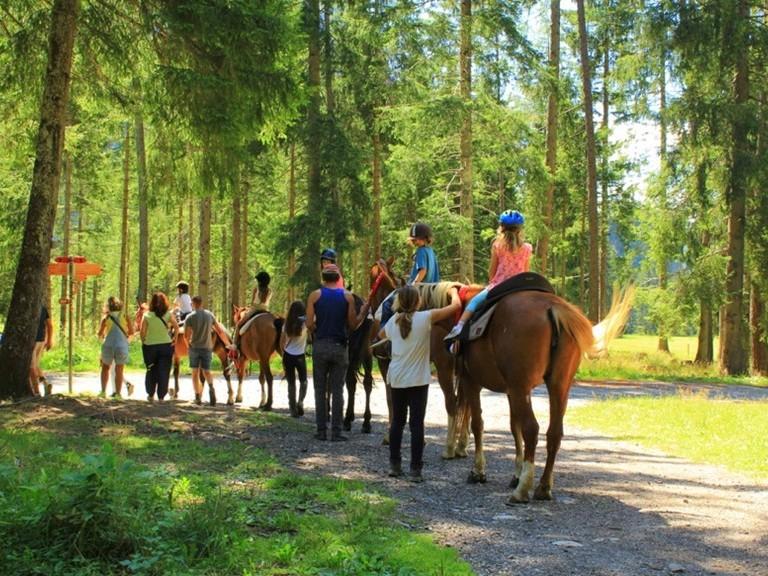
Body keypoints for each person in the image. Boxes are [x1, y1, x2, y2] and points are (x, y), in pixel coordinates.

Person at [380, 284, 461, 482]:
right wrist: (453, 291)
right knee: (417, 425)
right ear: (418, 301)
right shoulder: (425, 318)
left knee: (397, 423)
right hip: (417, 380)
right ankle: (415, 470)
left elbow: (381, 335)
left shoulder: (393, 321)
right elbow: (455, 307)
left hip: (397, 378)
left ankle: (394, 465)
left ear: (399, 302)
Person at [444, 210, 532, 342]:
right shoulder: (527, 248)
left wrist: (492, 281)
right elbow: (526, 271)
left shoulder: (498, 245)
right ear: (520, 230)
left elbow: (492, 271)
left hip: (499, 286)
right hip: (520, 286)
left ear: (501, 228)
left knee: (474, 302)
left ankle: (459, 328)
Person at [305, 264, 370, 441]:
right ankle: (336, 432)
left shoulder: (314, 296)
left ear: (323, 278)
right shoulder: (348, 297)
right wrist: (363, 312)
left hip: (320, 346)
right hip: (340, 347)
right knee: (338, 389)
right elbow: (353, 325)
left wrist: (318, 328)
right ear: (338, 278)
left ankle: (321, 431)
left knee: (319, 389)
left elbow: (309, 324)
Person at [375, 222, 441, 345]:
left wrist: (413, 284)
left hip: (419, 288)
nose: (414, 242)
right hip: (431, 288)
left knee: (388, 304)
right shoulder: (431, 252)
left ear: (425, 238)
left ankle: (383, 337)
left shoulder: (421, 251)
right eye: (413, 239)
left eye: (416, 239)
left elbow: (423, 270)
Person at [184, 296, 229, 405]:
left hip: (194, 347)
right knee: (207, 371)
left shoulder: (190, 317)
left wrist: (188, 345)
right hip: (207, 347)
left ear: (193, 304)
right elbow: (220, 331)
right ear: (201, 303)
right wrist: (228, 344)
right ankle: (211, 388)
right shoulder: (209, 315)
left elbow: (186, 336)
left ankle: (197, 397)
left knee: (195, 373)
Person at [140, 291, 178, 402]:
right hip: (166, 345)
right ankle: (161, 396)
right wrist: (174, 339)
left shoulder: (147, 315)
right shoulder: (168, 314)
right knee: (164, 370)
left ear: (152, 302)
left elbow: (142, 332)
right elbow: (176, 327)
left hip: (150, 346)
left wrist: (144, 341)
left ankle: (150, 394)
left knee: (151, 369)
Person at [97, 296, 134, 399]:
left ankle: (103, 391)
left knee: (105, 368)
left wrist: (103, 339)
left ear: (108, 306)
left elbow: (100, 334)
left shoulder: (106, 317)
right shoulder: (125, 316)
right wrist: (126, 341)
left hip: (108, 345)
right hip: (121, 345)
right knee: (119, 370)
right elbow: (131, 332)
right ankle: (118, 394)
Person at [281, 300, 309, 418]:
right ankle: (300, 402)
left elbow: (282, 342)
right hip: (300, 356)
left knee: (291, 383)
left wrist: (283, 353)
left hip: (288, 355)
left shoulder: (287, 323)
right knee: (304, 381)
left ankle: (292, 409)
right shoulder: (305, 323)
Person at [30, 305, 53, 396]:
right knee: (35, 365)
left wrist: (49, 340)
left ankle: (36, 392)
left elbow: (49, 325)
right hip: (41, 340)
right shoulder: (42, 308)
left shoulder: (28, 306)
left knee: (31, 367)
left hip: (34, 341)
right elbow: (50, 325)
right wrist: (49, 340)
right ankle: (45, 384)